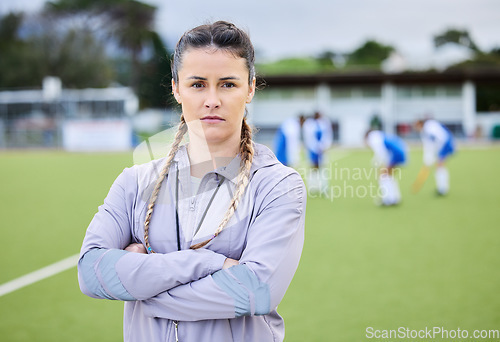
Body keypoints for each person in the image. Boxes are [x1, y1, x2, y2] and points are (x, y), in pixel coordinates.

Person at [78, 21, 306, 342]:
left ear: (251, 88)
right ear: (176, 88)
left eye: (228, 84)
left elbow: (257, 291)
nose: (212, 100)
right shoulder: (135, 181)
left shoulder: (278, 185)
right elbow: (91, 272)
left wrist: (143, 288)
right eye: (198, 84)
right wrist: (206, 263)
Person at [365, 129, 408, 206]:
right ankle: (394, 198)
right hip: (399, 151)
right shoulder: (379, 134)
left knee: (383, 176)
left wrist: (377, 163)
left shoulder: (373, 137)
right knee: (388, 176)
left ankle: (389, 199)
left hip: (396, 153)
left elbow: (381, 152)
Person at [413, 119, 455, 195]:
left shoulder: (430, 126)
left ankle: (443, 189)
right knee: (439, 166)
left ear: (420, 124)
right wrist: (427, 160)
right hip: (441, 145)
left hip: (445, 143)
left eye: (416, 126)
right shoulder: (423, 132)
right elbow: (428, 146)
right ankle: (442, 188)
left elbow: (440, 137)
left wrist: (438, 152)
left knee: (440, 166)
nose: (416, 128)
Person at [302, 111, 333, 195]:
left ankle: (324, 187)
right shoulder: (309, 125)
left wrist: (323, 146)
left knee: (323, 169)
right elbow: (309, 139)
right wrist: (315, 148)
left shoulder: (324, 123)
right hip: (313, 151)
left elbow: (327, 136)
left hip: (322, 151)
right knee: (313, 169)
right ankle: (312, 187)